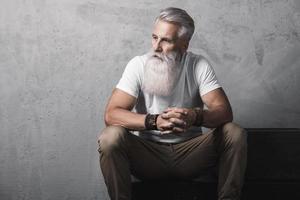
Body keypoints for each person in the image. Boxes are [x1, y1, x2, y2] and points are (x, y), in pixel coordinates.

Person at [98, 7, 247, 200]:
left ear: (184, 44)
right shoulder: (138, 65)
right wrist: (154, 121)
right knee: (110, 136)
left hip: (190, 155)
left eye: (166, 40)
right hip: (148, 156)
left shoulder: (198, 65)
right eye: (154, 37)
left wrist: (195, 116)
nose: (156, 47)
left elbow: (224, 112)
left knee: (234, 132)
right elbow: (111, 114)